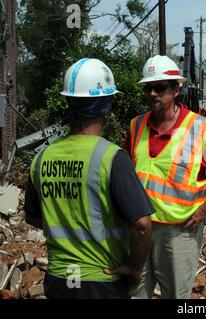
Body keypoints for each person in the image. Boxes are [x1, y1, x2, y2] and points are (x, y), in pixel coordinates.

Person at [24, 58, 154, 299]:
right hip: (100, 282)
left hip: (58, 280)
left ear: (67, 102)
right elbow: (142, 225)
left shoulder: (42, 157)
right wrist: (135, 270)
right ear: (107, 106)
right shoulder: (112, 157)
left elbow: (33, 216)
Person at [123, 55, 206, 299]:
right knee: (136, 294)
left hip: (179, 233)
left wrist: (205, 210)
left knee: (177, 296)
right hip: (140, 228)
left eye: (160, 88)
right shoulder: (136, 126)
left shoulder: (202, 130)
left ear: (176, 89)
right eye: (149, 88)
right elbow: (125, 169)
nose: (153, 94)